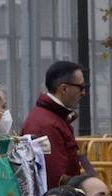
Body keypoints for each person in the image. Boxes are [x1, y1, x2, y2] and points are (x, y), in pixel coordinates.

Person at [19, 60, 86, 188]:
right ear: (64, 89)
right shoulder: (46, 125)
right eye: (81, 87)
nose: (83, 93)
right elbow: (54, 180)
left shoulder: (53, 119)